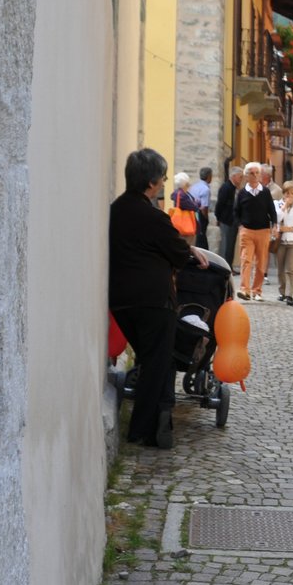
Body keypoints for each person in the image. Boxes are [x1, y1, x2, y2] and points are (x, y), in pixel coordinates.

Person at [108, 148, 207, 449]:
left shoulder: (114, 210)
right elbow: (177, 252)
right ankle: (143, 430)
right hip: (154, 301)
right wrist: (188, 250)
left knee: (153, 361)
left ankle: (160, 424)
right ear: (152, 183)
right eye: (162, 178)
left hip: (120, 301)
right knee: (156, 364)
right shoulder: (154, 217)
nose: (164, 183)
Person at [234, 162, 276, 301]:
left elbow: (272, 210)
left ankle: (257, 291)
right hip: (247, 231)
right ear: (246, 176)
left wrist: (274, 224)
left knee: (261, 262)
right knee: (246, 260)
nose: (255, 175)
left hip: (263, 231)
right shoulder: (241, 193)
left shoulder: (265, 192)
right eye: (251, 173)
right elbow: (236, 211)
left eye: (257, 173)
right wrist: (240, 225)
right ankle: (244, 290)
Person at [215, 165, 241, 266]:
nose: (241, 179)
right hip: (227, 221)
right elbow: (220, 204)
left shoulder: (234, 188)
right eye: (240, 177)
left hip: (232, 221)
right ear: (233, 176)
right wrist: (219, 218)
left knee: (231, 246)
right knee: (227, 246)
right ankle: (225, 266)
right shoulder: (226, 187)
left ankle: (229, 266)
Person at [169, 172, 200, 246]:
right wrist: (197, 203)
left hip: (181, 225)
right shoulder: (182, 195)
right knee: (188, 245)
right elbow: (194, 207)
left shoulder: (179, 193)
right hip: (185, 226)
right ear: (185, 184)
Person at [192, 166, 213, 249]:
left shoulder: (194, 186)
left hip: (192, 213)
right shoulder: (205, 189)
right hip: (200, 215)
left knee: (196, 237)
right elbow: (204, 207)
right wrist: (206, 218)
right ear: (209, 176)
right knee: (202, 237)